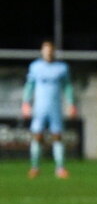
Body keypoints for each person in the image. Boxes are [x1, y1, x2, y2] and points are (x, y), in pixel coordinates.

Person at [22, 40, 76, 179]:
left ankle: (60, 168)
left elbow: (67, 87)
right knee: (37, 136)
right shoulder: (35, 67)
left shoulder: (62, 68)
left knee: (57, 136)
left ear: (53, 51)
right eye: (46, 50)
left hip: (55, 108)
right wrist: (26, 103)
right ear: (42, 51)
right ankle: (35, 167)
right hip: (40, 108)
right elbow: (30, 85)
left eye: (50, 50)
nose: (48, 53)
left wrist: (71, 104)